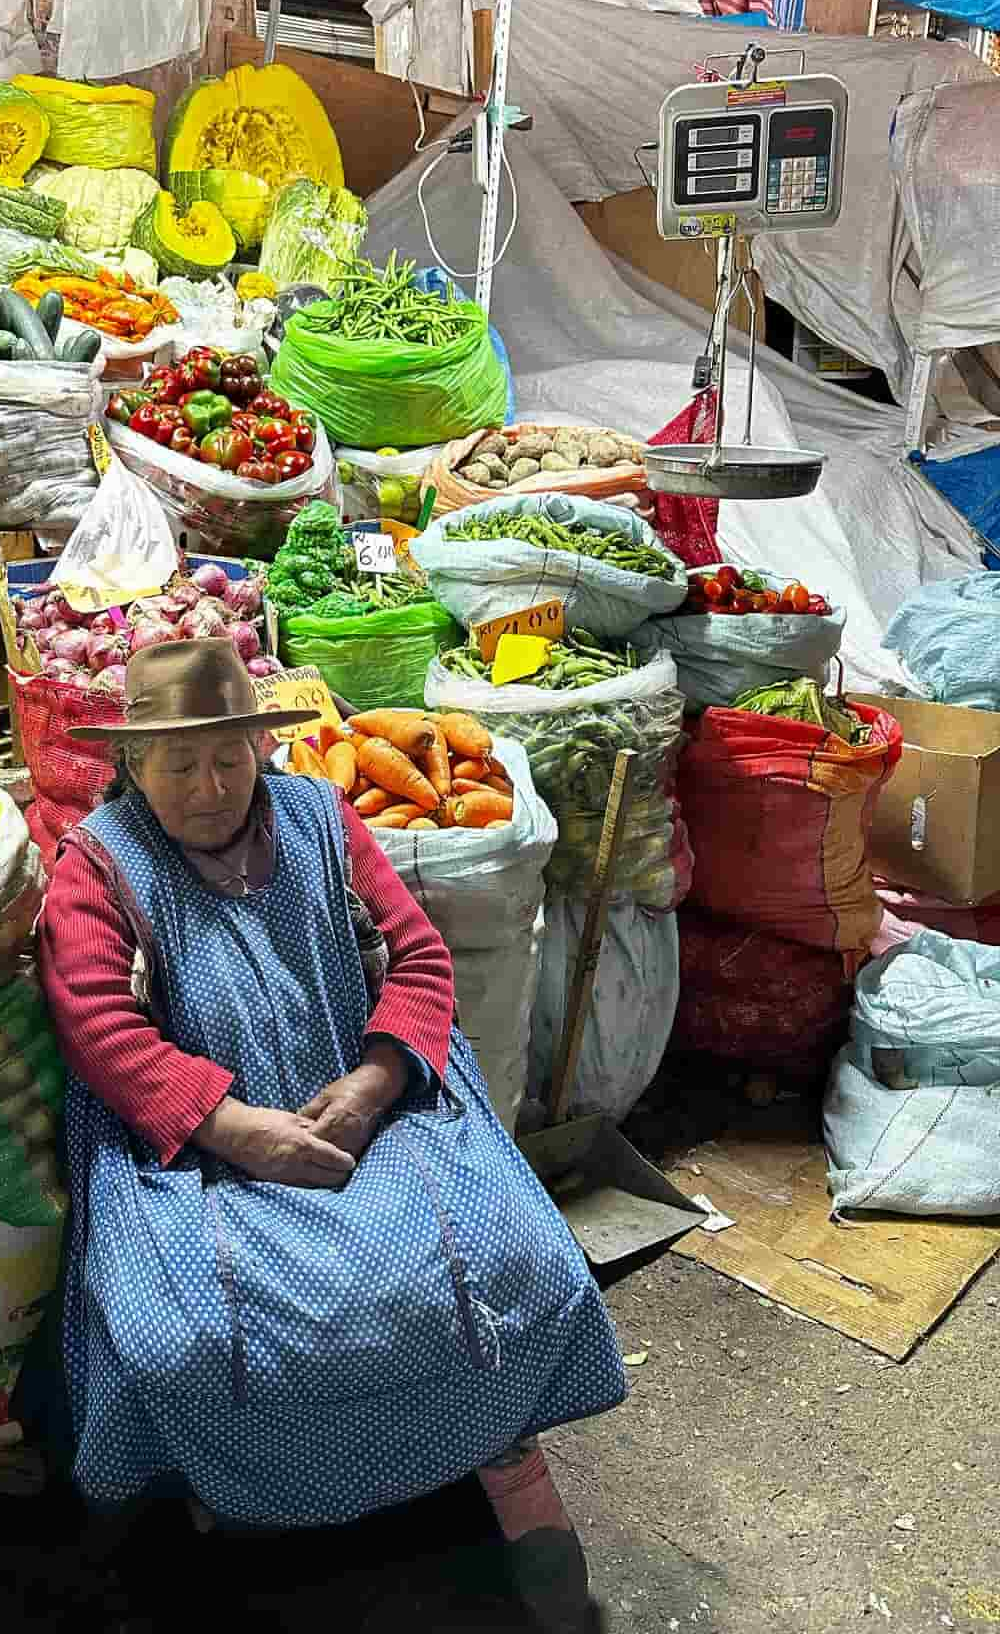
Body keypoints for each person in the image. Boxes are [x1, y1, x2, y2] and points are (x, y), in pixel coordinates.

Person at [37, 639, 627, 1631]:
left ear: (261, 751)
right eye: (178, 763)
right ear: (134, 763)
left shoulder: (319, 817)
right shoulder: (100, 862)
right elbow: (97, 1026)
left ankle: (509, 1466)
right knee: (184, 1336)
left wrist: (373, 1081)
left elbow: (419, 959)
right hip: (190, 1139)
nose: (209, 784)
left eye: (228, 756)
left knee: (511, 1259)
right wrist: (232, 1129)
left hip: (365, 1099)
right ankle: (241, 1491)